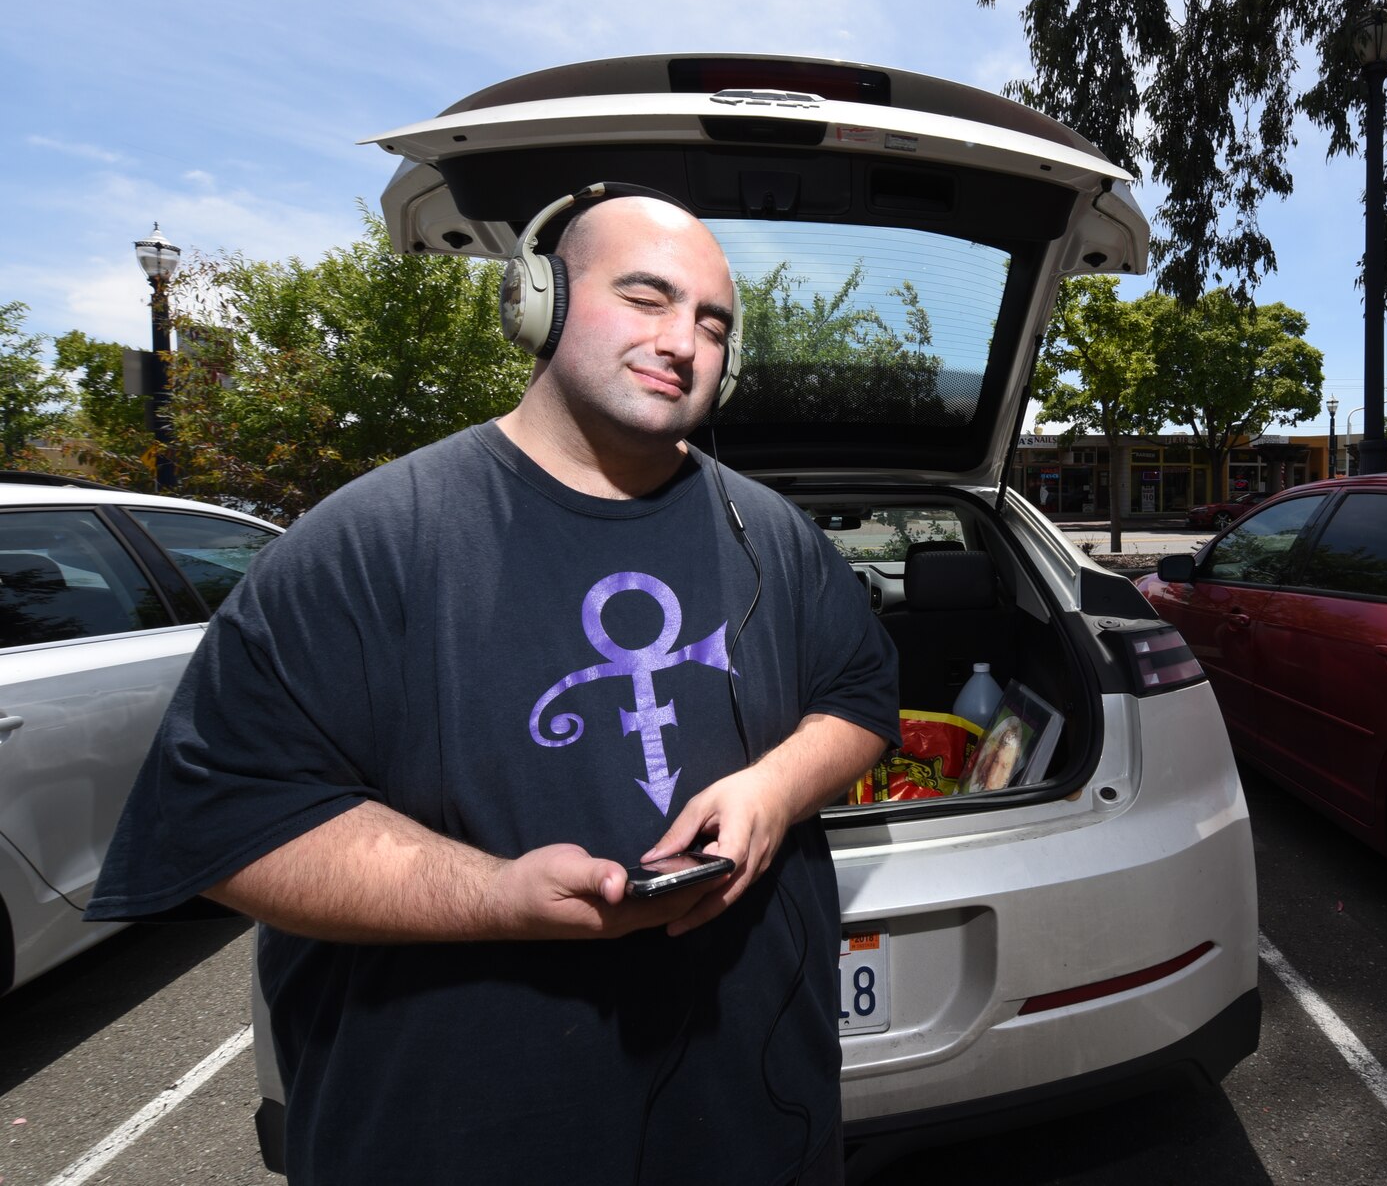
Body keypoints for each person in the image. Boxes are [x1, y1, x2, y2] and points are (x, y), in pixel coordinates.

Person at [86, 191, 898, 1185]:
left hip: (754, 1130)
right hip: (455, 1139)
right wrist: (496, 897)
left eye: (712, 323)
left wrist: (770, 793)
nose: (682, 341)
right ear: (540, 303)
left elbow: (858, 697)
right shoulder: (367, 542)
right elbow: (229, 828)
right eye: (644, 298)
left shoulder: (770, 533)